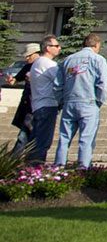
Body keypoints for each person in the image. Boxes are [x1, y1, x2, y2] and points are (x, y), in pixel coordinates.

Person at [54, 33, 107, 168]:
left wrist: (61, 101)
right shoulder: (98, 59)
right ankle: (83, 167)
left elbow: (57, 85)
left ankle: (58, 166)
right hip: (88, 102)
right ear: (96, 45)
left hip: (69, 102)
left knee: (64, 137)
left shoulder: (68, 60)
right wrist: (99, 101)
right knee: (86, 138)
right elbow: (104, 84)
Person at [28, 35, 62, 164]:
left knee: (36, 140)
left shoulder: (38, 62)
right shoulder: (48, 64)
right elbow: (60, 81)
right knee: (42, 141)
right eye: (56, 46)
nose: (60, 48)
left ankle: (30, 169)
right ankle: (35, 169)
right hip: (47, 105)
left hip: (39, 105)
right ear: (48, 48)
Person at [8, 42, 40, 155]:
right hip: (26, 104)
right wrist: (11, 80)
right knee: (25, 132)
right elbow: (16, 80)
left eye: (28, 56)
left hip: (35, 106)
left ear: (36, 54)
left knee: (24, 134)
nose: (26, 58)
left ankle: (15, 158)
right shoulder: (27, 66)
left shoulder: (43, 65)